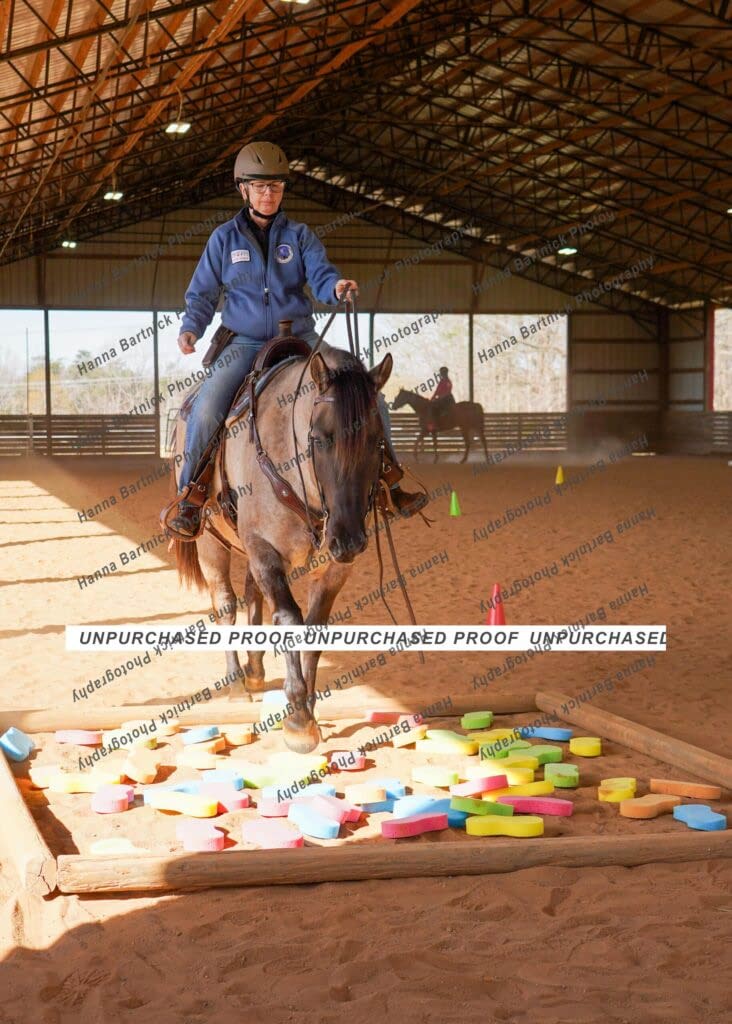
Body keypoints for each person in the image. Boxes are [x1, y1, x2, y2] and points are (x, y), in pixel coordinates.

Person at [168, 140, 427, 537]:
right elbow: (202, 293)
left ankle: (390, 482)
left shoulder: (300, 236)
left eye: (275, 186)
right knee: (206, 409)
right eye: (260, 187)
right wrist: (191, 328)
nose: (268, 194)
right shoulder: (223, 239)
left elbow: (321, 274)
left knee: (367, 391)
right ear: (244, 190)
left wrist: (335, 287)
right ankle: (191, 497)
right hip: (245, 341)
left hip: (302, 338)